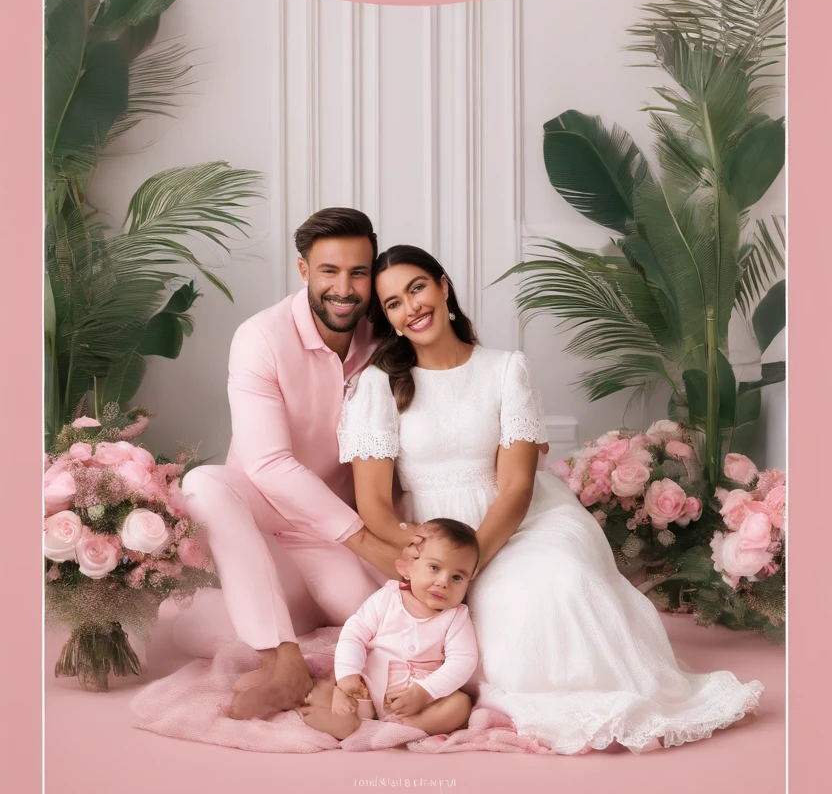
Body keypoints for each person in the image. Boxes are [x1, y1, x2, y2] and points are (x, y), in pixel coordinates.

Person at [335, 244, 764, 754]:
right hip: (434, 534)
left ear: (443, 287)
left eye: (417, 288)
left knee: (566, 580)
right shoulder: (380, 385)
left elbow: (517, 487)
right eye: (393, 303)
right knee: (508, 615)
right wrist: (427, 555)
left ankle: (627, 695)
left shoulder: (504, 368)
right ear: (388, 318)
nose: (411, 307)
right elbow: (375, 508)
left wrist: (469, 565)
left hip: (518, 520)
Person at [181, 209, 426, 721]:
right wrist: (367, 542)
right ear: (303, 270)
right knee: (203, 484)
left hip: (330, 531)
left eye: (358, 273)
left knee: (385, 622)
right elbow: (267, 464)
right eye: (329, 271)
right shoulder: (261, 337)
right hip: (263, 520)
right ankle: (283, 662)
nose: (344, 288)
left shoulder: (387, 336)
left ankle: (305, 631)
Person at [298, 518, 479, 740]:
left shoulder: (456, 617)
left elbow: (463, 661)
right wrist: (348, 675)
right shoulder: (388, 598)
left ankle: (401, 726)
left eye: (457, 577)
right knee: (339, 682)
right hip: (367, 686)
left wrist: (425, 692)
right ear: (408, 567)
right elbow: (354, 634)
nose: (443, 581)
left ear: (469, 582)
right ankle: (337, 710)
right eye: (434, 567)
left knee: (461, 705)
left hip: (418, 699)